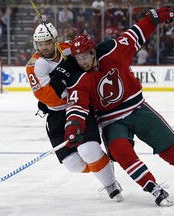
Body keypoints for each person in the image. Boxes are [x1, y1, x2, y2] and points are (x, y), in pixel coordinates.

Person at [60, 8, 174, 206]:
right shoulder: (79, 78)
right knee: (122, 153)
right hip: (111, 121)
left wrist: (154, 19)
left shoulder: (113, 50)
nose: (82, 61)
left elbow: (135, 33)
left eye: (85, 56)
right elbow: (77, 106)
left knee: (170, 150)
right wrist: (72, 126)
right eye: (78, 58)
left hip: (138, 109)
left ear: (93, 51)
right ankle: (153, 188)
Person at [25, 23, 123, 201]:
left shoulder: (69, 49)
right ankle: (103, 165)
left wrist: (75, 73)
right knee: (73, 164)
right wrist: (64, 74)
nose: (44, 47)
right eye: (40, 44)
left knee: (89, 150)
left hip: (80, 106)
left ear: (54, 40)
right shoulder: (34, 65)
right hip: (57, 115)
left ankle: (110, 183)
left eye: (47, 42)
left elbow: (92, 59)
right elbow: (50, 99)